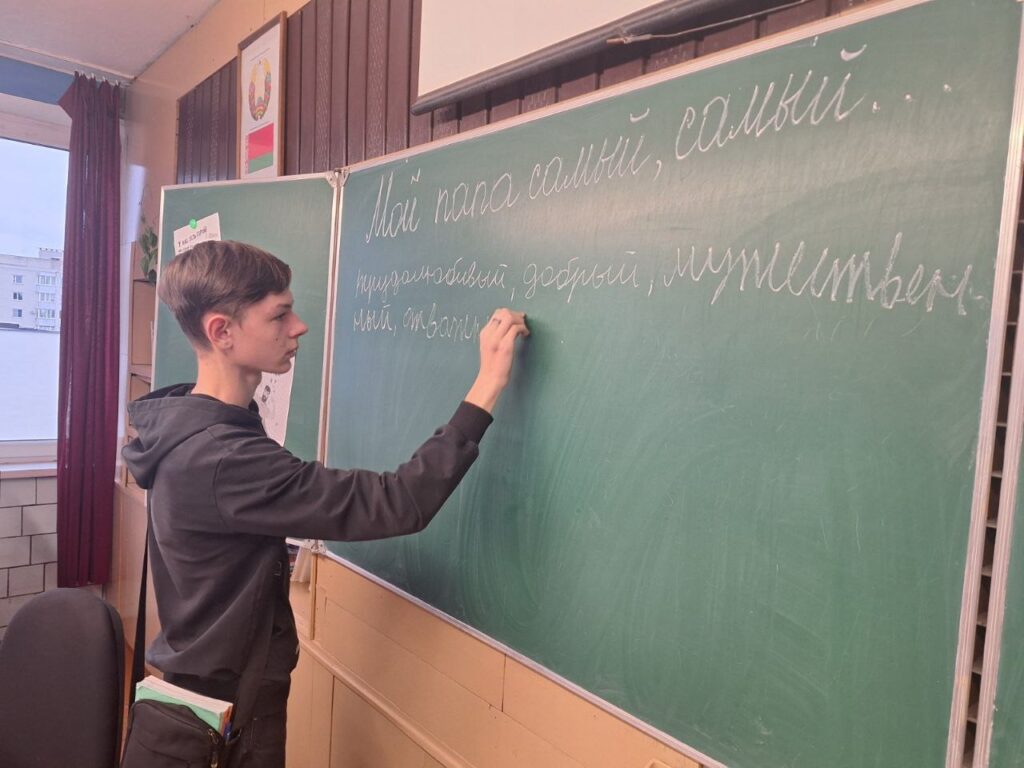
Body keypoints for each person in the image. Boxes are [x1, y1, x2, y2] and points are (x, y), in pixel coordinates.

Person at [122, 239, 529, 767]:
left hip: (203, 692)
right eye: (279, 315)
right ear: (222, 332)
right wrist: (488, 383)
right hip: (231, 716)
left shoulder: (190, 427)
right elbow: (399, 501)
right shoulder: (224, 458)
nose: (299, 327)